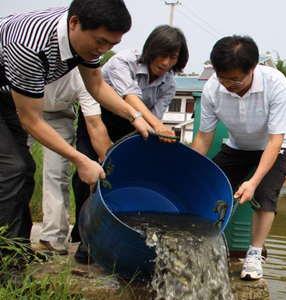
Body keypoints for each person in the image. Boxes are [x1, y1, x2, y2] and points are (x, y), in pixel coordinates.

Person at [0, 0, 151, 254]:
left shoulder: (83, 39)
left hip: (8, 93)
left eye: (112, 45)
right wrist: (81, 160)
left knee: (24, 171)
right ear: (74, 23)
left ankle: (16, 250)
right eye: (101, 42)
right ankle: (6, 261)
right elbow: (32, 120)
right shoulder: (29, 45)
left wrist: (134, 115)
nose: (103, 50)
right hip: (13, 93)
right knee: (13, 168)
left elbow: (97, 85)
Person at [71, 24, 189, 263]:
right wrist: (157, 126)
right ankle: (84, 238)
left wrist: (156, 129)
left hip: (135, 125)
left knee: (125, 176)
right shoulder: (123, 61)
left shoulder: (169, 83)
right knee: (89, 176)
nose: (166, 63)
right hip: (99, 116)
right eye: (162, 55)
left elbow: (152, 115)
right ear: (150, 50)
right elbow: (130, 98)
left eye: (173, 58)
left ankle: (120, 235)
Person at [191, 35, 286, 280]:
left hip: (278, 144)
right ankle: (204, 245)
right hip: (238, 144)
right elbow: (204, 137)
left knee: (263, 195)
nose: (228, 85)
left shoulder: (275, 83)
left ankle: (254, 252)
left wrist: (253, 181)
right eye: (223, 78)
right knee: (209, 186)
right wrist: (192, 172)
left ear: (252, 69)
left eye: (235, 80)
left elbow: (275, 140)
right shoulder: (212, 89)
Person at [30, 69, 112, 255]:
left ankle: (53, 239)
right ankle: (10, 234)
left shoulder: (83, 73)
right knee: (15, 171)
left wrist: (108, 161)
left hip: (58, 115)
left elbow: (94, 123)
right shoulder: (30, 52)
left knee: (56, 173)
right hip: (20, 108)